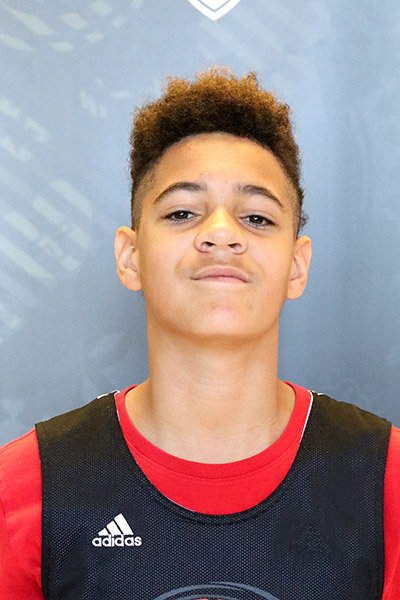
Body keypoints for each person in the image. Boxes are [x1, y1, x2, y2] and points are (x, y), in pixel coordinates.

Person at [0, 66, 399, 600]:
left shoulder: (386, 480)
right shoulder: (26, 488)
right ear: (130, 256)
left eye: (256, 218)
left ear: (297, 266)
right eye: (183, 212)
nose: (221, 234)